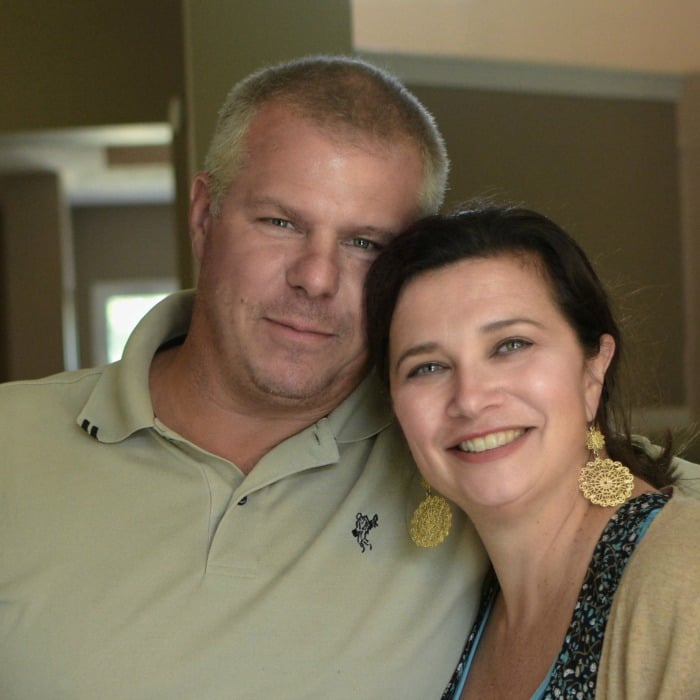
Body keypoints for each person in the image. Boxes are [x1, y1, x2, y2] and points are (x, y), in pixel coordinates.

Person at [0, 55, 489, 699]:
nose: (316, 277)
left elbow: (646, 519)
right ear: (205, 217)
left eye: (366, 244)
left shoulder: (462, 451)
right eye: (282, 223)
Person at [365, 203, 700, 699]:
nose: (471, 399)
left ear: (593, 371)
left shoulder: (684, 576)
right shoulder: (460, 611)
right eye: (428, 367)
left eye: (511, 345)